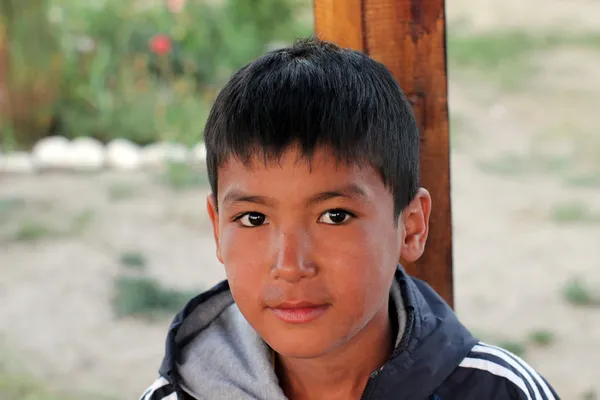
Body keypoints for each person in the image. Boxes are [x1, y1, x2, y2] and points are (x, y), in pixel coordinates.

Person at [140, 38, 560, 400]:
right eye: (253, 218)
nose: (290, 265)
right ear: (217, 227)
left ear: (411, 226)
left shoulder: (502, 392)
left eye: (334, 216)